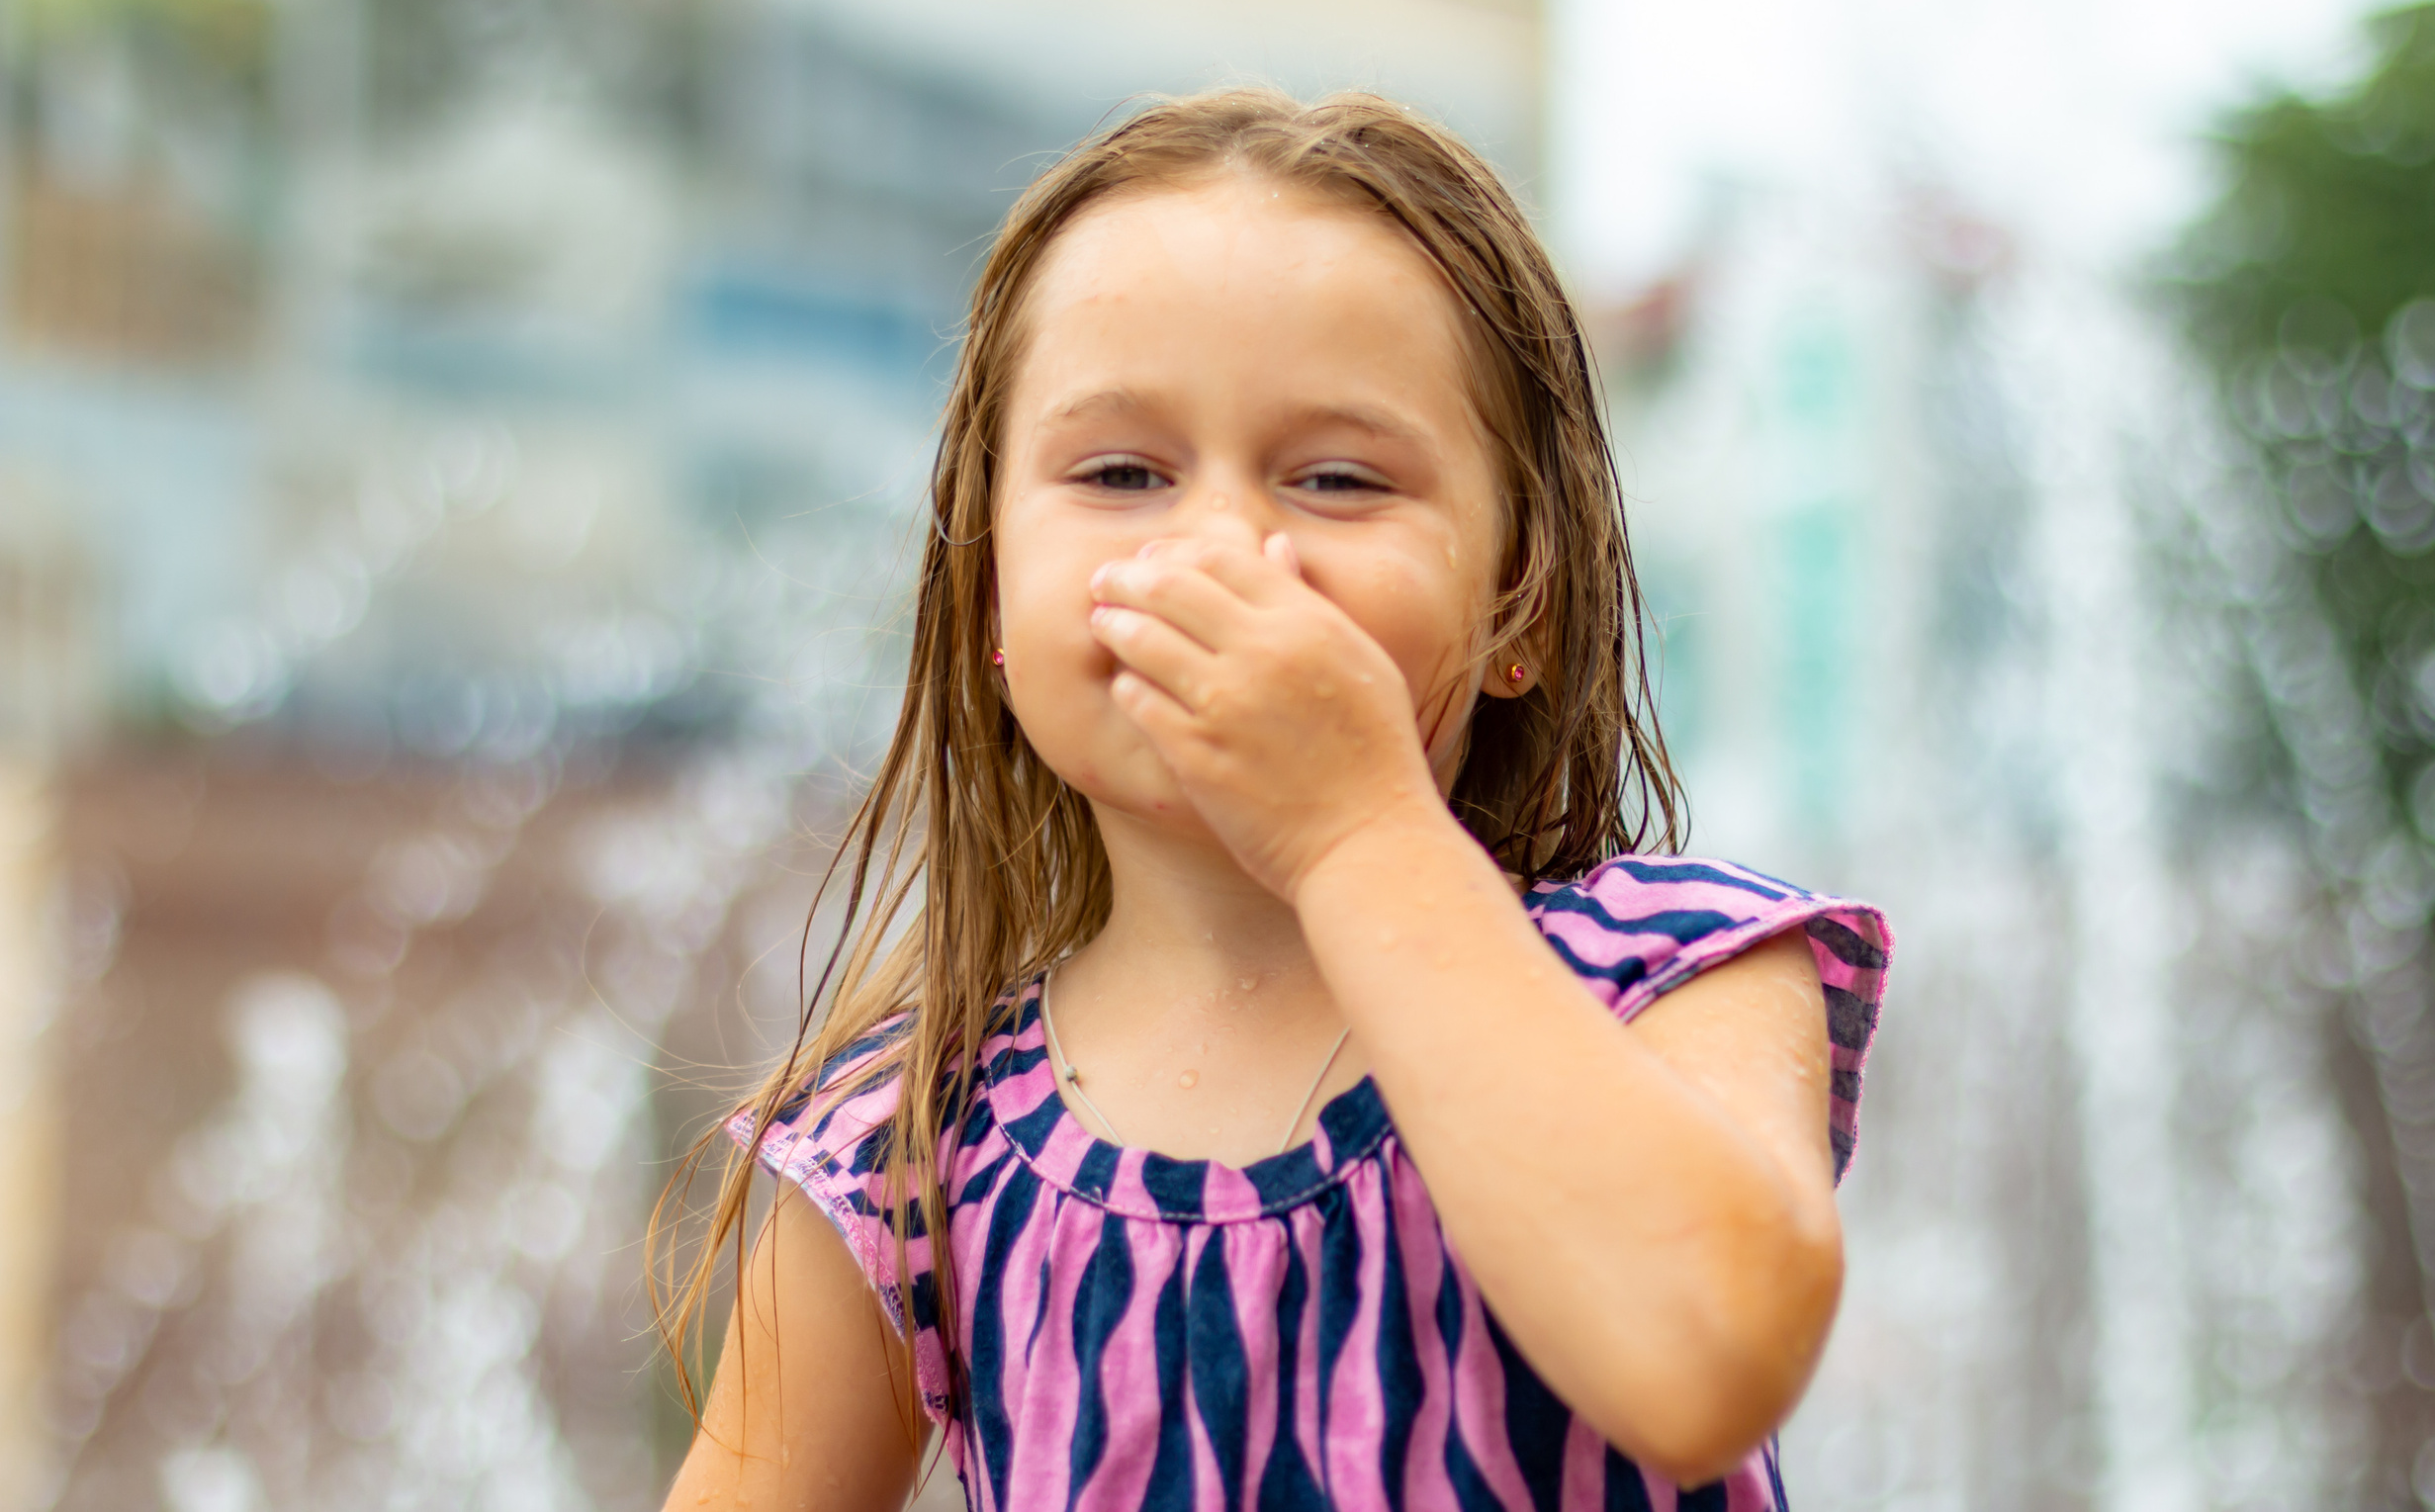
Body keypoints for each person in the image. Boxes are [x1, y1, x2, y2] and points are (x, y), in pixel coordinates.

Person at [652, 87, 1892, 1512]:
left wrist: (1356, 833)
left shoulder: (1673, 973)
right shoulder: (902, 1148)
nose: (1223, 550)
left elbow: (1705, 1363)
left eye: (1338, 480)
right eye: (1122, 472)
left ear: (1519, 606)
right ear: (992, 588)